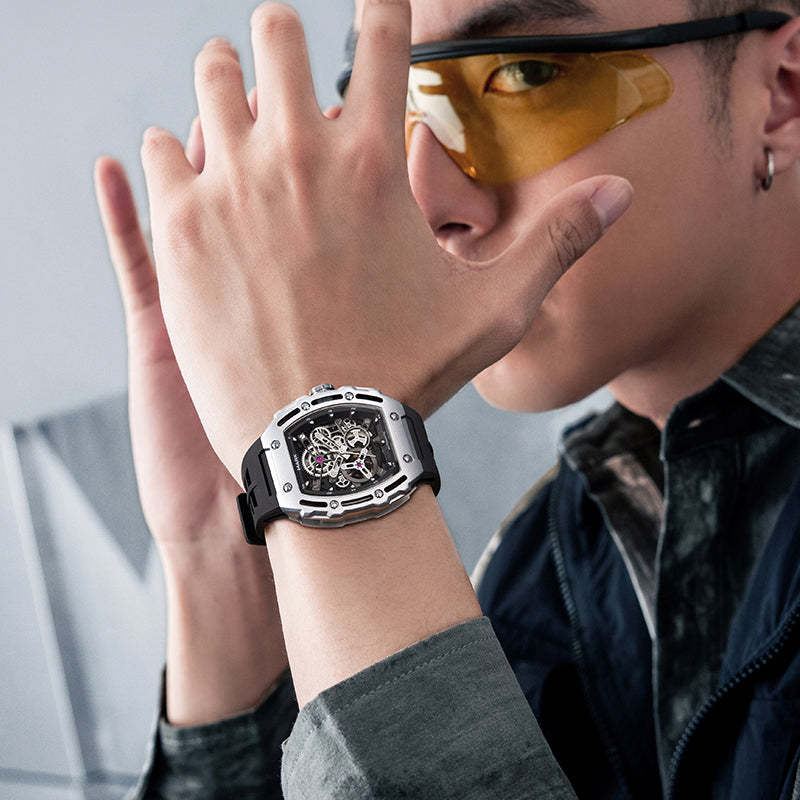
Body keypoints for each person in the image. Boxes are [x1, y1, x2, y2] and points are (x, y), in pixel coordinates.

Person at [92, 0, 800, 796]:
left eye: (523, 76)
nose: (426, 201)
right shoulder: (550, 556)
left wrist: (334, 463)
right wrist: (225, 550)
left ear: (781, 89)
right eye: (400, 103)